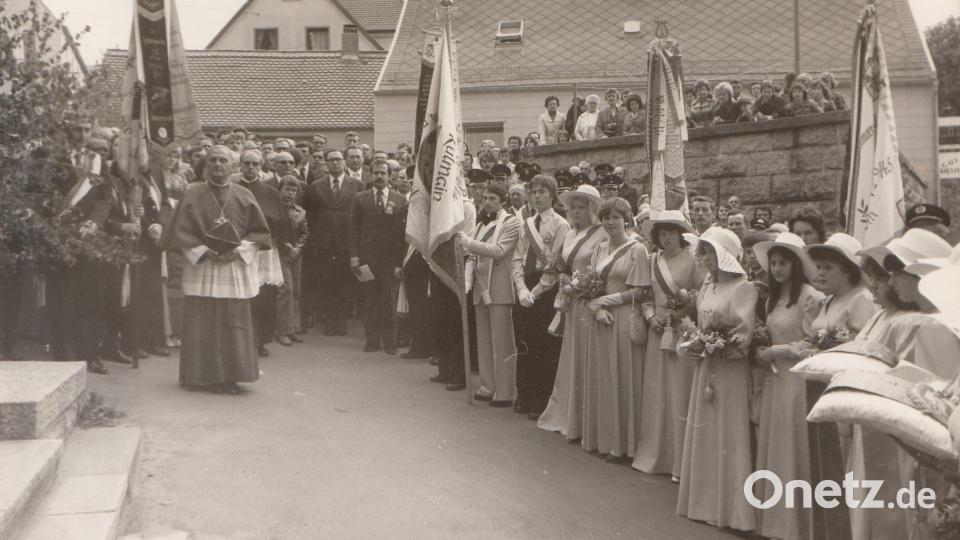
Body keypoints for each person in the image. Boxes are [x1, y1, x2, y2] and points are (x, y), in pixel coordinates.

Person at [160, 146, 272, 394]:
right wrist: (202, 251)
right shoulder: (191, 193)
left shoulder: (244, 194)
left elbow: (259, 233)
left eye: (223, 160)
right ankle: (199, 375)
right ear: (205, 166)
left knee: (233, 322)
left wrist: (238, 251)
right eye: (213, 160)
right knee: (202, 320)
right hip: (203, 265)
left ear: (232, 166)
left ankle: (230, 376)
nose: (218, 164)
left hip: (234, 267)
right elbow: (179, 232)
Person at [676, 226, 757, 532]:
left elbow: (743, 335)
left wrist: (716, 346)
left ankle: (731, 509)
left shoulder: (743, 287)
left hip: (729, 371)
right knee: (705, 430)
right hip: (706, 367)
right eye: (703, 251)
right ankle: (702, 502)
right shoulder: (708, 286)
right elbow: (701, 323)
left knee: (727, 434)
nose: (705, 258)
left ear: (724, 255)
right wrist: (697, 342)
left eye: (710, 252)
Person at [751, 232, 824, 540]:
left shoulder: (809, 296)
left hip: (795, 378)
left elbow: (813, 343)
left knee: (791, 446)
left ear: (796, 265)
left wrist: (777, 351)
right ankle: (772, 522)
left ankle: (793, 526)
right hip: (774, 376)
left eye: (784, 263)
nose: (778, 269)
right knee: (773, 442)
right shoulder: (773, 297)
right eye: (774, 263)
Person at [632, 210, 704, 477]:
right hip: (657, 332)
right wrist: (651, 318)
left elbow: (702, 295)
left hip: (682, 331)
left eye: (671, 233)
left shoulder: (694, 261)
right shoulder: (652, 261)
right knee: (657, 392)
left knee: (678, 393)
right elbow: (646, 296)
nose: (666, 238)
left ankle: (679, 461)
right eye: (661, 233)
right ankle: (656, 454)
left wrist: (684, 306)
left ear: (681, 234)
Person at [583, 198, 650, 458]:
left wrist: (605, 302)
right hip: (600, 319)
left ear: (627, 219)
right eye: (605, 218)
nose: (610, 222)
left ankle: (623, 446)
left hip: (624, 318)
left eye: (615, 217)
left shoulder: (637, 250)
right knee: (604, 379)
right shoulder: (600, 248)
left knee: (622, 380)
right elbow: (590, 284)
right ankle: (604, 440)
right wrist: (597, 308)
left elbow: (640, 290)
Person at [538, 184, 606, 437]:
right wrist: (562, 279)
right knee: (571, 357)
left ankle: (585, 419)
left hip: (590, 301)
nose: (575, 212)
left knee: (588, 358)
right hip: (572, 302)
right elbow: (560, 265)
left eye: (581, 207)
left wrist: (584, 284)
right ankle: (568, 414)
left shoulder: (602, 233)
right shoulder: (569, 234)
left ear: (592, 209)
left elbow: (603, 267)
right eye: (573, 207)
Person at [509, 175, 572, 418]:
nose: (536, 196)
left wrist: (534, 292)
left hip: (546, 291)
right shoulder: (526, 223)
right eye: (533, 192)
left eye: (542, 192)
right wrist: (521, 288)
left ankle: (540, 399)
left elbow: (556, 263)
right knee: (523, 343)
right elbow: (517, 257)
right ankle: (524, 395)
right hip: (525, 286)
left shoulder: (560, 224)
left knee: (543, 347)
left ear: (552, 195)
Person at [459, 183, 521, 406]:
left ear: (503, 201)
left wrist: (468, 242)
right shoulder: (479, 225)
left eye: (492, 198)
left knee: (502, 342)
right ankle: (488, 385)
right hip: (480, 287)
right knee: (484, 340)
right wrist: (467, 281)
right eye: (484, 198)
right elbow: (472, 258)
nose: (486, 202)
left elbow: (499, 251)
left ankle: (505, 391)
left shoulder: (511, 222)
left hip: (500, 288)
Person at [348, 159, 408, 355]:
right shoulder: (360, 198)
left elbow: (402, 236)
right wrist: (355, 258)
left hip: (390, 261)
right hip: (366, 260)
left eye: (383, 173)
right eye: (376, 173)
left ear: (390, 176)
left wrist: (399, 263)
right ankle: (372, 340)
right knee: (370, 300)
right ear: (370, 175)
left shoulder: (399, 200)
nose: (379, 176)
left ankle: (390, 341)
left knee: (389, 302)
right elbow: (353, 230)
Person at [304, 149, 365, 336]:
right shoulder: (316, 186)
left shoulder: (357, 185)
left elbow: (360, 216)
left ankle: (341, 322)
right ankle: (329, 322)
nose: (335, 163)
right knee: (326, 283)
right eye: (331, 160)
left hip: (346, 242)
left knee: (344, 284)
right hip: (324, 243)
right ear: (326, 164)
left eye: (338, 160)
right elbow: (311, 216)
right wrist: (315, 240)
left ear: (345, 162)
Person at [275, 176, 309, 346]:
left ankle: (294, 328)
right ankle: (282, 331)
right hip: (280, 254)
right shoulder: (274, 210)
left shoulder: (300, 211)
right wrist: (288, 247)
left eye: (294, 190)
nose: (290, 193)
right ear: (280, 190)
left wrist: (298, 248)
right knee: (285, 290)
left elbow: (305, 233)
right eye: (287, 189)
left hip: (296, 256)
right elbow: (273, 233)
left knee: (296, 291)